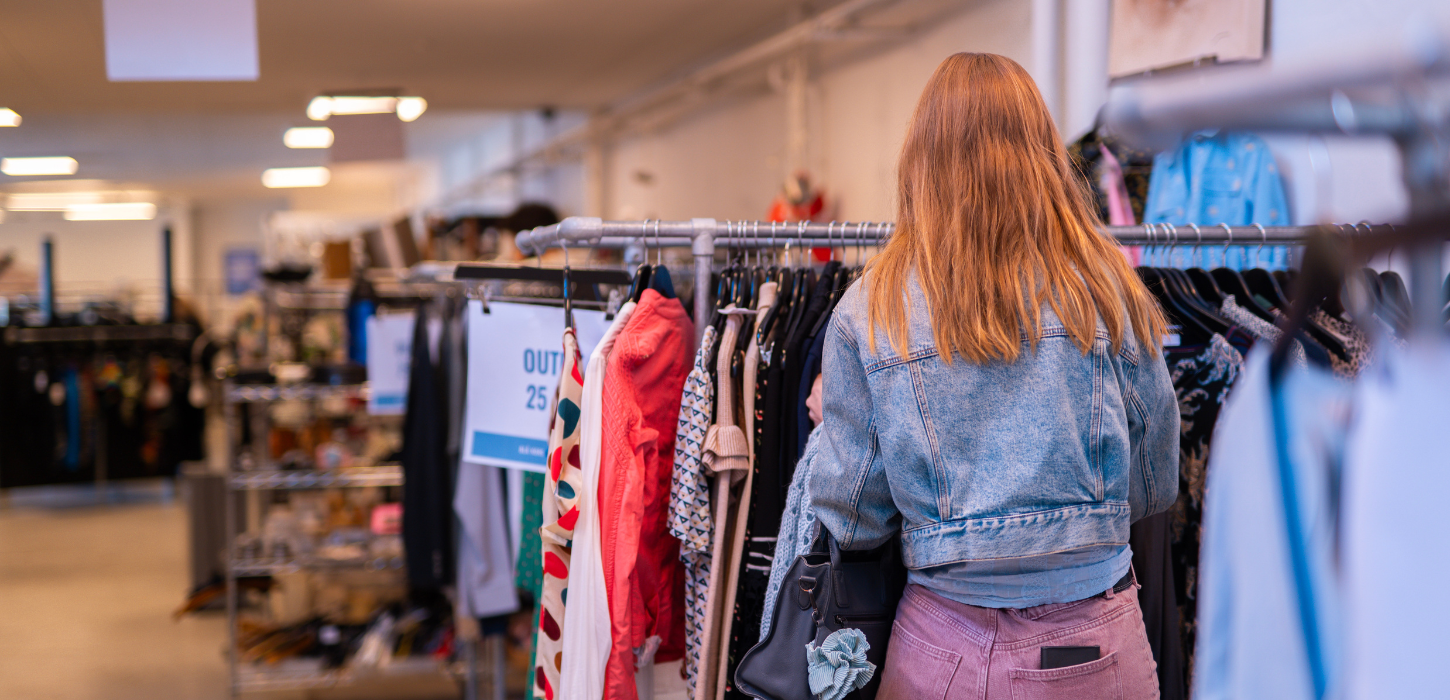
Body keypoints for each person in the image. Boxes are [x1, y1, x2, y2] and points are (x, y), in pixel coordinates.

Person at [809, 53, 1178, 699]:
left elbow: (853, 520)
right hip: (1090, 635)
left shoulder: (873, 306)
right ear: (1042, 153)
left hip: (942, 642)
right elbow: (1152, 484)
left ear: (920, 158)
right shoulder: (1105, 288)